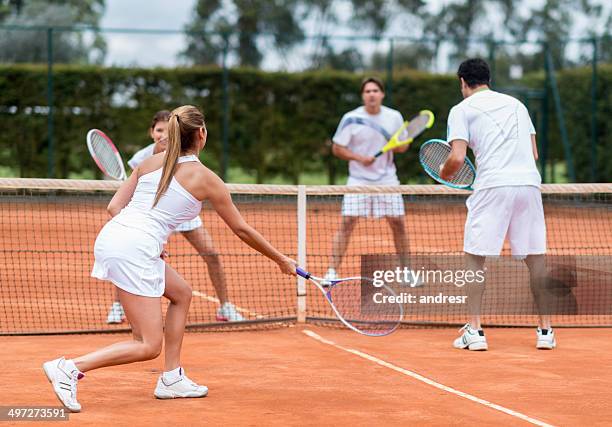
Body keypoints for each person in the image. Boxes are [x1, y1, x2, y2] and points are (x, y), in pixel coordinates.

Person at [44, 105, 296, 412]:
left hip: (119, 238)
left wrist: (149, 240)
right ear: (201, 134)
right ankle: (69, 367)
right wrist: (282, 260)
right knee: (147, 345)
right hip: (133, 248)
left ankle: (172, 378)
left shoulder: (150, 162)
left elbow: (113, 207)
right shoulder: (206, 178)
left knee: (182, 293)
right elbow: (241, 229)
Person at [440, 58, 554, 351]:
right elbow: (534, 152)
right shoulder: (517, 105)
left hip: (493, 185)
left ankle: (475, 331)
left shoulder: (460, 110)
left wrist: (443, 173)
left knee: (475, 258)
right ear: (488, 79)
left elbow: (456, 158)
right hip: (529, 184)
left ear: (463, 82)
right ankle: (545, 331)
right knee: (536, 258)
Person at [106, 110, 245, 324]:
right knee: (133, 255)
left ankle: (225, 306)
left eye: (166, 130)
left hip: (183, 210)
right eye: (158, 130)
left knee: (211, 253)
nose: (162, 135)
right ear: (151, 132)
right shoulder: (142, 159)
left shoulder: (190, 160)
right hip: (153, 216)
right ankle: (118, 306)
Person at [324, 77, 413, 283]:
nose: (371, 94)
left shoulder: (394, 117)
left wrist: (396, 146)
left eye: (375, 90)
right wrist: (359, 158)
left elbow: (403, 146)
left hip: (387, 178)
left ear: (382, 94)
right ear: (363, 95)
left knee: (398, 223)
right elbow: (337, 148)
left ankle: (407, 272)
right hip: (358, 179)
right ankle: (332, 272)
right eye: (367, 91)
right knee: (347, 223)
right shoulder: (350, 118)